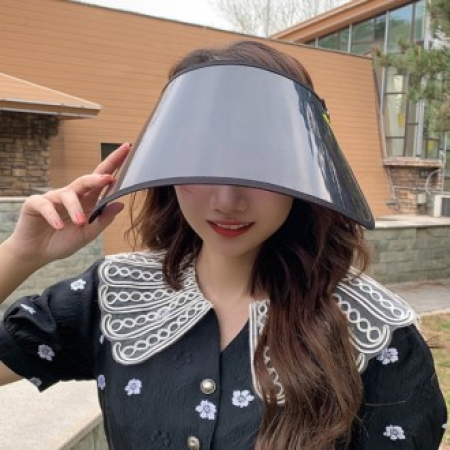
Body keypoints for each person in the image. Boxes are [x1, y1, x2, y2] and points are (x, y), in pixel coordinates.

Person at [0, 41, 446, 450]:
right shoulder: (114, 295)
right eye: (202, 164)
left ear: (303, 170)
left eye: (261, 165)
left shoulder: (375, 332)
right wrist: (21, 254)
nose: (228, 201)